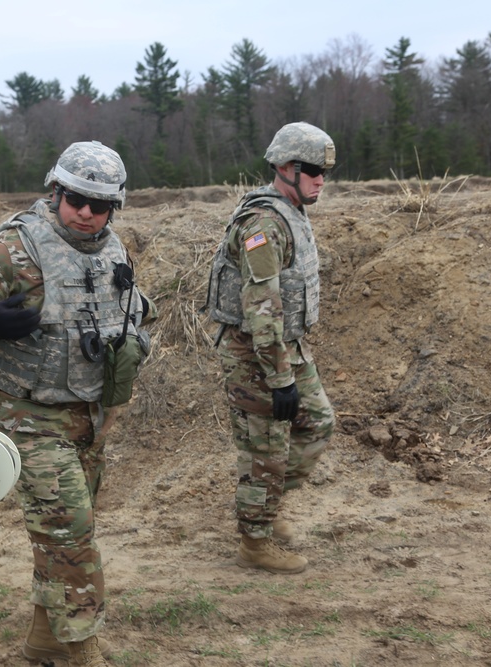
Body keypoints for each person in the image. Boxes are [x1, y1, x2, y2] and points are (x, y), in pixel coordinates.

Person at [0, 141, 156, 667]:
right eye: (75, 198)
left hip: (90, 413)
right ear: (55, 190)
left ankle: (44, 637)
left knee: (65, 534)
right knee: (71, 534)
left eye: (99, 205)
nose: (85, 212)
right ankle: (83, 649)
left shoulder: (113, 248)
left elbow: (129, 309)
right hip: (30, 416)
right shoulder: (15, 248)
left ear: (114, 209)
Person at [205, 122, 337, 575]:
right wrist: (280, 379)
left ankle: (268, 507)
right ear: (285, 167)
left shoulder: (291, 211)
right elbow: (261, 308)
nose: (321, 179)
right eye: (313, 170)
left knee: (318, 423)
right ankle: (254, 542)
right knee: (265, 448)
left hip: (285, 346)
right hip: (254, 352)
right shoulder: (264, 222)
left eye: (325, 171)